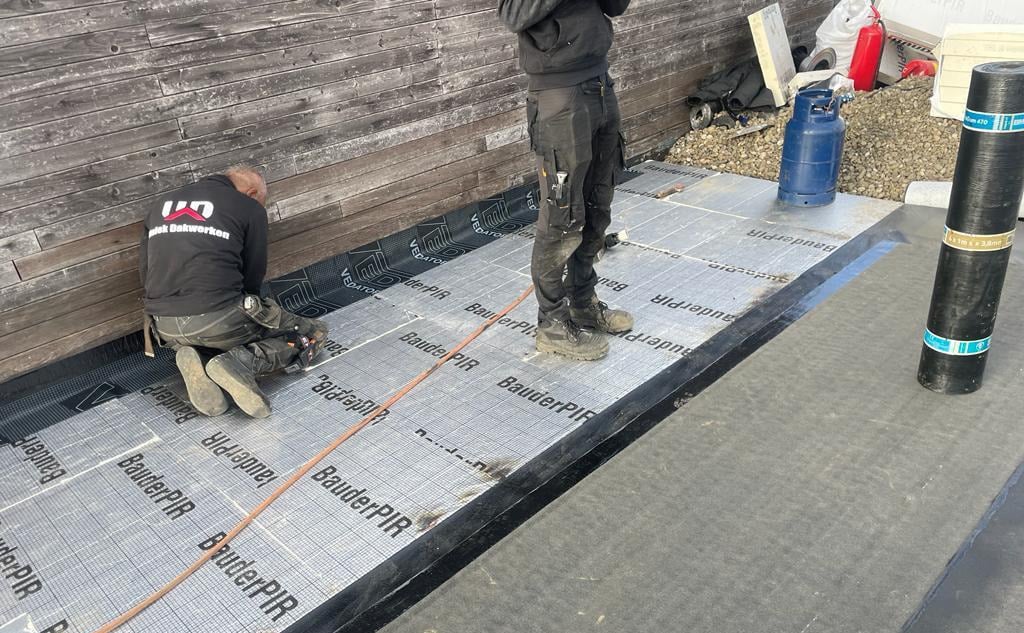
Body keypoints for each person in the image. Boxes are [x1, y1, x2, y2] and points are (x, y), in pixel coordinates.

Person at [498, 0, 634, 361]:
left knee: (597, 203)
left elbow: (615, 7)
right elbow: (513, 14)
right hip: (559, 94)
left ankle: (582, 302)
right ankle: (552, 324)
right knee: (562, 214)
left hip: (599, 83)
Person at [139, 166, 327, 419]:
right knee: (313, 332)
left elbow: (145, 270)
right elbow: (253, 272)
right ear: (252, 193)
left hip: (164, 327)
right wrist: (251, 317)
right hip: (218, 317)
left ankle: (197, 358)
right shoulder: (248, 207)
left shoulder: (162, 204)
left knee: (213, 336)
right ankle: (242, 362)